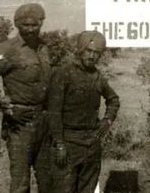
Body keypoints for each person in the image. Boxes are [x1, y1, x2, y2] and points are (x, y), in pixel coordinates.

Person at [0, 3, 51, 193]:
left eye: (35, 25)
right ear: (17, 24)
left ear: (41, 24)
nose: (31, 30)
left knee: (48, 180)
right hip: (19, 124)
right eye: (26, 25)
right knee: (20, 183)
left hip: (45, 121)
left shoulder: (44, 48)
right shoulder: (7, 49)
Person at [47, 30, 120, 193]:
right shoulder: (63, 73)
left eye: (96, 53)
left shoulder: (97, 76)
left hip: (92, 144)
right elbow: (54, 112)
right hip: (68, 142)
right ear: (80, 49)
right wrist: (59, 144)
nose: (92, 56)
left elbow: (113, 100)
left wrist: (107, 120)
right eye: (89, 51)